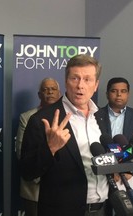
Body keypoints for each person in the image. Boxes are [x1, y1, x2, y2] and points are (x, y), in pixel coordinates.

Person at [20, 54, 111, 216]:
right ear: (65, 81)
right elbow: (27, 172)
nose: (80, 86)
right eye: (75, 78)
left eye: (87, 79)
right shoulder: (42, 119)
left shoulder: (102, 117)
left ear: (96, 85)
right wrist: (50, 148)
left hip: (102, 209)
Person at [16, 77, 61, 216]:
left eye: (53, 89)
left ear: (59, 94)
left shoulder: (68, 117)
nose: (50, 92)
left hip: (63, 188)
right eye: (45, 89)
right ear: (39, 95)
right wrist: (41, 176)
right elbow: (22, 152)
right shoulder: (27, 117)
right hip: (35, 188)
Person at [95, 77, 133, 146]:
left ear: (128, 94)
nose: (119, 94)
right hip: (105, 156)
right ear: (107, 94)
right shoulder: (96, 115)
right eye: (114, 91)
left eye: (123, 91)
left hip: (131, 156)